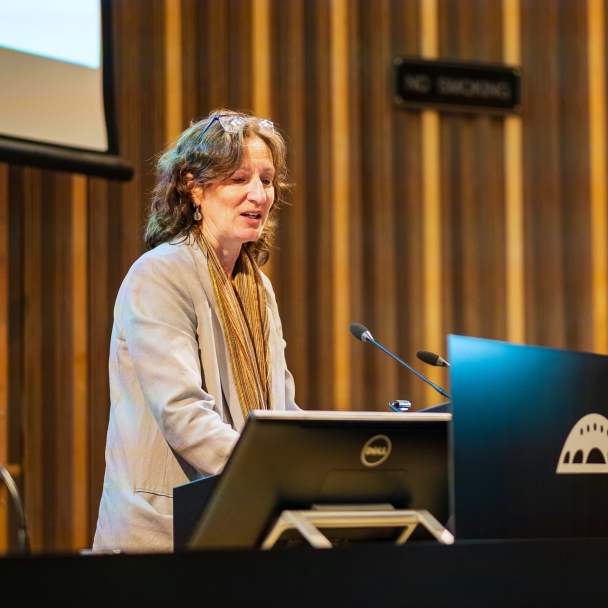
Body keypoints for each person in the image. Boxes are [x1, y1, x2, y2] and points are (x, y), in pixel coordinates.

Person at [93, 110, 299, 553]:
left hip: (240, 526)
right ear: (194, 187)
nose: (258, 194)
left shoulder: (257, 287)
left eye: (266, 180)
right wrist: (278, 476)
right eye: (239, 178)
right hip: (161, 537)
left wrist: (311, 469)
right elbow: (183, 413)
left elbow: (282, 410)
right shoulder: (159, 274)